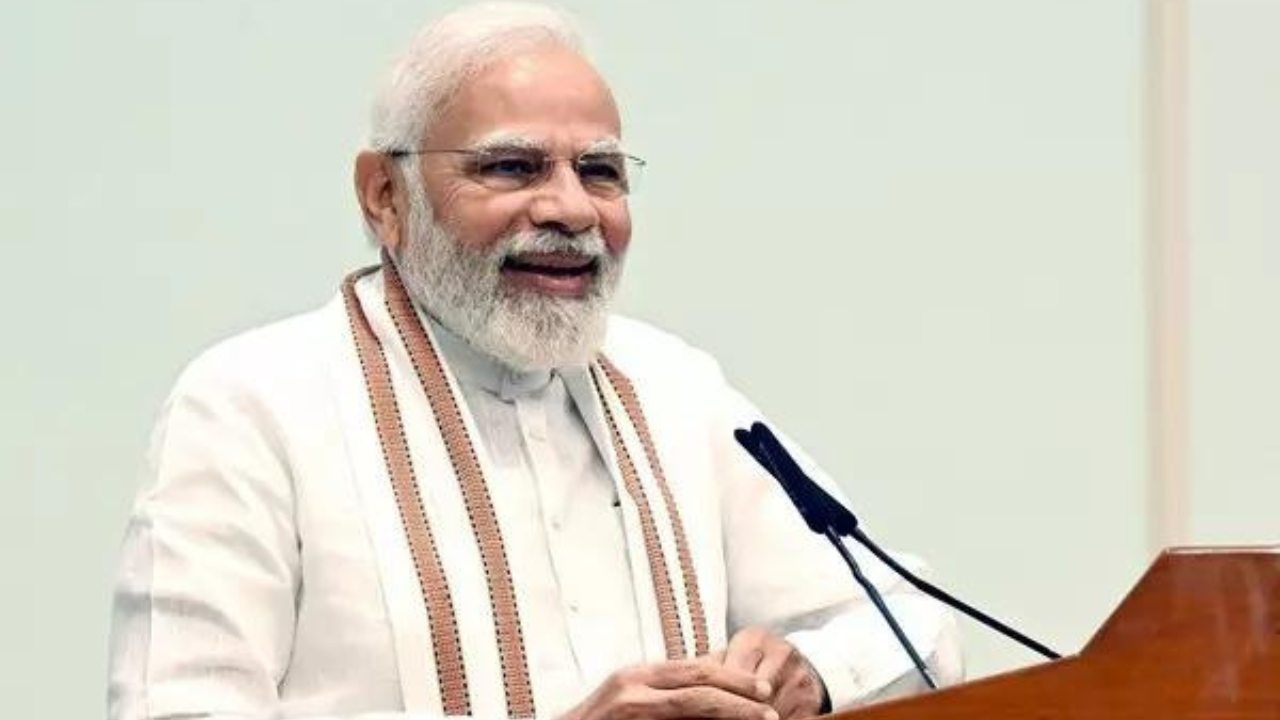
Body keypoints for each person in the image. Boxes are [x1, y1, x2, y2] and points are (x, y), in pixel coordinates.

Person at [107, 3, 962, 719]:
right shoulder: (253, 403)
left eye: (600, 171)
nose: (570, 209)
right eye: (512, 167)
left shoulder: (674, 388)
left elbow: (917, 627)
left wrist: (810, 677)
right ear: (384, 195)